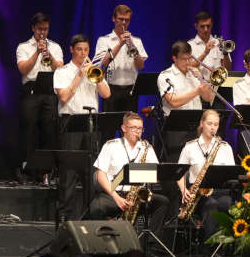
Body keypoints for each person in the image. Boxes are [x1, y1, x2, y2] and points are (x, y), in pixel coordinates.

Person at [54, 34, 111, 217]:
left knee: (90, 171)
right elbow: (63, 97)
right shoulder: (62, 72)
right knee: (69, 172)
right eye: (79, 49)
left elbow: (107, 94)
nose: (83, 53)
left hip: (91, 123)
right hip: (70, 123)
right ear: (72, 50)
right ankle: (65, 215)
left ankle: (90, 213)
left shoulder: (92, 70)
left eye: (86, 50)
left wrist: (96, 76)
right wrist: (79, 75)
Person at [87, 111, 169, 233]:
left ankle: (150, 244)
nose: (138, 131)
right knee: (96, 207)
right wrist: (116, 197)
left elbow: (156, 175)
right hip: (114, 193)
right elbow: (100, 175)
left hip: (137, 195)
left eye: (140, 128)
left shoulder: (147, 147)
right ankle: (103, 243)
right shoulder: (111, 146)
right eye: (134, 128)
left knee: (163, 202)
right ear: (124, 128)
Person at [16, 13, 64, 179]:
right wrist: (37, 52)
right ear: (33, 28)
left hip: (50, 91)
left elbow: (60, 69)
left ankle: (46, 172)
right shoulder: (23, 47)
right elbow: (23, 70)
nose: (43, 33)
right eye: (40, 29)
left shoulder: (55, 47)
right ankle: (28, 172)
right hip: (31, 92)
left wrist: (48, 54)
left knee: (49, 133)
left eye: (46, 29)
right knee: (29, 132)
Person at [176, 109, 236, 238]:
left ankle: (225, 245)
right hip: (198, 193)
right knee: (211, 205)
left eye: (216, 124)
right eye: (209, 124)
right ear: (202, 124)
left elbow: (231, 174)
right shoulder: (190, 147)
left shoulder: (225, 147)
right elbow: (178, 173)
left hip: (220, 190)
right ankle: (211, 246)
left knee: (227, 204)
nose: (213, 127)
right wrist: (183, 190)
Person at [157, 40, 214, 161]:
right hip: (176, 127)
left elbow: (208, 98)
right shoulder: (166, 76)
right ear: (174, 58)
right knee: (178, 164)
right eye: (183, 59)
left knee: (197, 162)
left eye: (189, 58)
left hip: (197, 125)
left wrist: (203, 79)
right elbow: (173, 102)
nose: (187, 62)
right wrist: (197, 91)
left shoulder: (193, 74)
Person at [94, 4, 147, 113]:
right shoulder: (104, 40)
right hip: (110, 89)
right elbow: (103, 63)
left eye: (127, 20)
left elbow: (140, 66)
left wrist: (132, 47)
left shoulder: (136, 41)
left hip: (131, 90)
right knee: (109, 128)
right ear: (114, 19)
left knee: (129, 126)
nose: (123, 23)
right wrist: (120, 44)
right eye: (121, 19)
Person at [188, 11, 232, 101]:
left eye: (208, 26)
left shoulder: (219, 43)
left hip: (218, 90)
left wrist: (225, 53)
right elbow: (188, 67)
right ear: (196, 26)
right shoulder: (190, 45)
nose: (206, 29)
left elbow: (228, 69)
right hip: (198, 90)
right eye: (202, 26)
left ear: (212, 25)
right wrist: (205, 53)